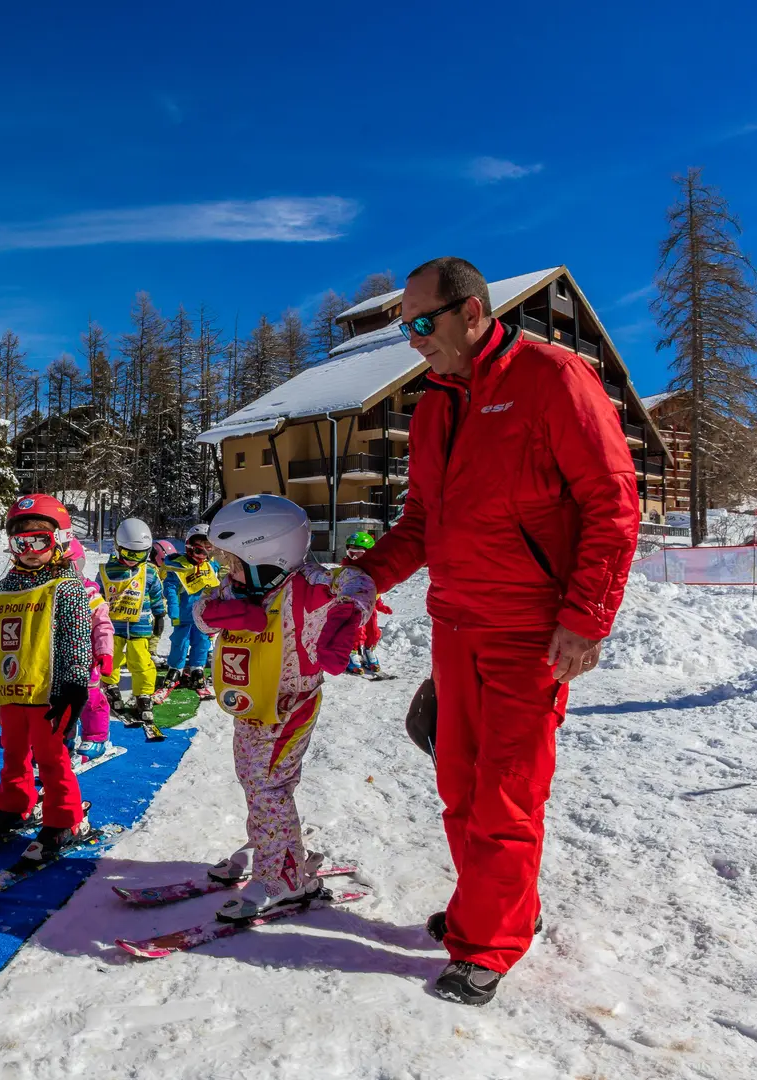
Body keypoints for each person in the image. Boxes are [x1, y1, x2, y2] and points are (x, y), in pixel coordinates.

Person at [351, 256, 639, 1006]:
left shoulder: (555, 379)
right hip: (454, 624)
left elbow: (613, 506)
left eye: (421, 322)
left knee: (506, 795)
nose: (410, 338)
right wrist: (364, 576)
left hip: (529, 630)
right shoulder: (434, 406)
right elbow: (420, 522)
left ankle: (491, 941)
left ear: (471, 313)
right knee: (457, 785)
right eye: (402, 324)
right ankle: (495, 903)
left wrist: (585, 619)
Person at [196, 495, 373, 921]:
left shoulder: (310, 584)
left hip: (290, 704)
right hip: (252, 704)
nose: (227, 570)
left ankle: (281, 878)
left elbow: (358, 583)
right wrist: (228, 612)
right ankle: (279, 848)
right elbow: (202, 614)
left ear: (267, 553)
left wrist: (349, 614)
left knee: (268, 786)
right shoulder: (240, 587)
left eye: (233, 560)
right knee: (254, 782)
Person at [0, 494, 95, 862]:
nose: (30, 550)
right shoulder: (7, 586)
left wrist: (73, 686)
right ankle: (15, 805)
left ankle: (63, 818)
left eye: (41, 541)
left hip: (50, 691)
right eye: (21, 542)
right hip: (13, 688)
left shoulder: (66, 586)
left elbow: (76, 638)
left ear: (61, 540)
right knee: (13, 752)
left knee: (51, 758)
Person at [97, 517, 167, 718]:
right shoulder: (107, 570)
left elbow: (156, 595)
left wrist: (159, 614)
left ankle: (143, 693)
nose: (133, 560)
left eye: (140, 555)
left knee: (141, 661)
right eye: (128, 554)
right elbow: (99, 596)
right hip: (114, 626)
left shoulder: (150, 572)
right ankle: (110, 686)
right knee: (113, 658)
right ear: (118, 547)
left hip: (140, 626)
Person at [67, 539, 118, 763]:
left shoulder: (89, 593)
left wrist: (104, 652)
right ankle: (63, 738)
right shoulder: (47, 592)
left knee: (91, 699)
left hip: (87, 659)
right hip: (57, 661)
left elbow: (102, 625)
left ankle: (97, 738)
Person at [162, 525, 223, 696]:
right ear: (189, 547)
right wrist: (173, 610)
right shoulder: (178, 567)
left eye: (207, 551)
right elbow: (170, 589)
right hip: (184, 614)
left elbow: (216, 589)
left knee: (202, 643)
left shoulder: (211, 567)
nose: (202, 556)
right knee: (180, 643)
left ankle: (197, 668)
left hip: (203, 616)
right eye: (198, 551)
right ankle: (175, 669)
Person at [342, 531, 393, 676]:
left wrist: (381, 605)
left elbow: (375, 591)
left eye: (358, 554)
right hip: (354, 609)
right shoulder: (347, 569)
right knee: (357, 632)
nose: (354, 558)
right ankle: (352, 655)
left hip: (370, 609)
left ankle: (369, 652)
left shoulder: (374, 570)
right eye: (351, 553)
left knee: (374, 631)